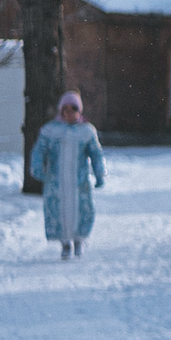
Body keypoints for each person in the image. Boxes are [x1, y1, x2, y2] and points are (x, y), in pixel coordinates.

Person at [31, 91, 106, 261]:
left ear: (79, 111)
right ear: (61, 111)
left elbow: (96, 154)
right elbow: (38, 151)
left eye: (73, 109)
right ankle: (65, 243)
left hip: (78, 182)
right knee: (59, 211)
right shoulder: (50, 131)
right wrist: (37, 167)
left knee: (81, 210)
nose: (69, 113)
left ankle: (79, 240)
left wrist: (99, 173)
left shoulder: (86, 131)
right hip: (56, 182)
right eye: (65, 110)